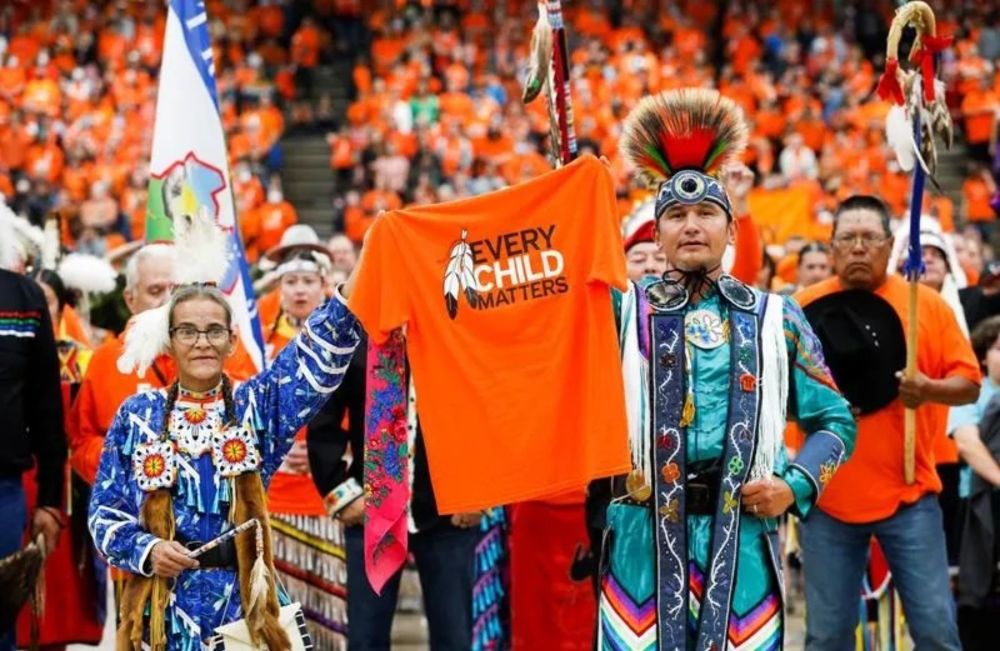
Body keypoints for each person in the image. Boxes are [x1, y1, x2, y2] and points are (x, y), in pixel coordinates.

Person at [596, 88, 856, 649]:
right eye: (677, 215)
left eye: (706, 213)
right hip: (642, 537)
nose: (692, 226)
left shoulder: (775, 317)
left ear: (731, 228)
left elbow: (836, 421)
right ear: (657, 234)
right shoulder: (619, 310)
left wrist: (794, 485)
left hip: (744, 543)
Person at [87, 219, 362, 648]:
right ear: (170, 340)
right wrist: (146, 549)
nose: (202, 342)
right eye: (188, 331)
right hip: (164, 611)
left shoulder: (258, 407)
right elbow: (104, 513)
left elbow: (315, 357)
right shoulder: (138, 415)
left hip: (245, 609)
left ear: (232, 340)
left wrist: (362, 276)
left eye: (214, 330)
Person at [795, 195, 981, 650]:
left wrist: (928, 390)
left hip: (908, 494)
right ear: (832, 246)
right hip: (827, 495)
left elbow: (970, 384)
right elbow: (771, 393)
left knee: (937, 630)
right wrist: (817, 406)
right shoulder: (798, 310)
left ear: (890, 244)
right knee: (827, 636)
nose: (859, 248)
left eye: (869, 238)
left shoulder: (926, 307)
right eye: (847, 239)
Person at [308, 325, 487, 650]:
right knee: (366, 638)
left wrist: (479, 492)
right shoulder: (355, 336)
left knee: (455, 637)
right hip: (371, 511)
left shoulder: (462, 330)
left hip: (449, 511)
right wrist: (343, 494)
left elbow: (489, 411)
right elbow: (324, 419)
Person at [260, 227, 348, 648]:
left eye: (307, 282)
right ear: (278, 287)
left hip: (328, 497)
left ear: (324, 285)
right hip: (274, 501)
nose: (299, 291)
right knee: (281, 617)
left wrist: (333, 452)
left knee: (334, 617)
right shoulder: (256, 340)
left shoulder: (345, 338)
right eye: (290, 282)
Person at [15, 269, 103, 649]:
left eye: (45, 300)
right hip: (17, 475)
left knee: (59, 594)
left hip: (63, 482)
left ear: (62, 307)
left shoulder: (84, 360)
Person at [0, 214, 65, 651]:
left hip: (3, 487)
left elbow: (46, 404)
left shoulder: (24, 297)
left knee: (1, 612)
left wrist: (49, 499)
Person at [947, 315, 1000, 650]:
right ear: (983, 354)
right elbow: (967, 443)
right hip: (978, 511)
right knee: (978, 603)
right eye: (998, 347)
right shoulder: (972, 395)